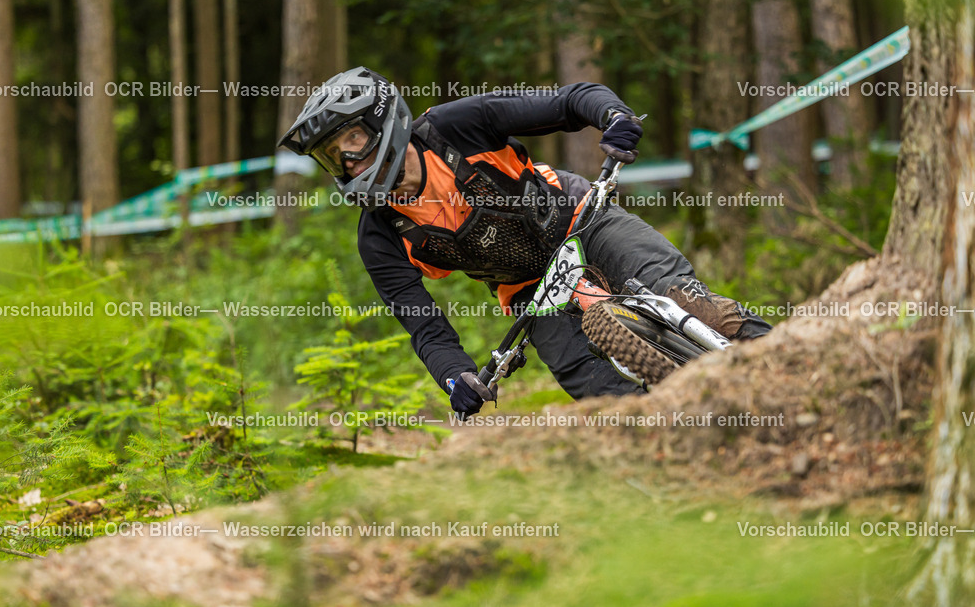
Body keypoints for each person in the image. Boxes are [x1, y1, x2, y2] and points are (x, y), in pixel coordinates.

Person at [278, 67, 770, 418]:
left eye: (351, 145)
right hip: (531, 290)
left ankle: (791, 360)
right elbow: (424, 326)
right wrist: (456, 378)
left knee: (693, 305)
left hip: (583, 220)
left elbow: (570, 101)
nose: (347, 165)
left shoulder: (457, 125)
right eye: (332, 158)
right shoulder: (379, 234)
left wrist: (613, 116)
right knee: (603, 398)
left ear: (383, 122)